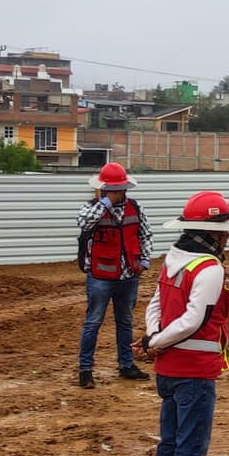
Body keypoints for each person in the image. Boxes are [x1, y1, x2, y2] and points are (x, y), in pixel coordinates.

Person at [135, 191, 229, 456]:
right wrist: (156, 342)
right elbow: (193, 321)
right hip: (194, 372)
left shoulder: (172, 259)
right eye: (224, 230)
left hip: (168, 370)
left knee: (170, 445)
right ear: (212, 233)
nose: (227, 237)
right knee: (189, 450)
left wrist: (154, 338)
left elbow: (156, 304)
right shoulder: (210, 269)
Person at [75, 163, 152, 389]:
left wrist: (145, 260)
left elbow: (145, 235)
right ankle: (85, 370)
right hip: (100, 277)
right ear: (105, 189)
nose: (119, 193)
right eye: (113, 189)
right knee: (93, 322)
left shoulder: (135, 208)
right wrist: (105, 203)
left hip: (129, 275)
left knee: (125, 322)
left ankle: (126, 365)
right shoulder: (92, 209)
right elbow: (83, 222)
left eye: (120, 189)